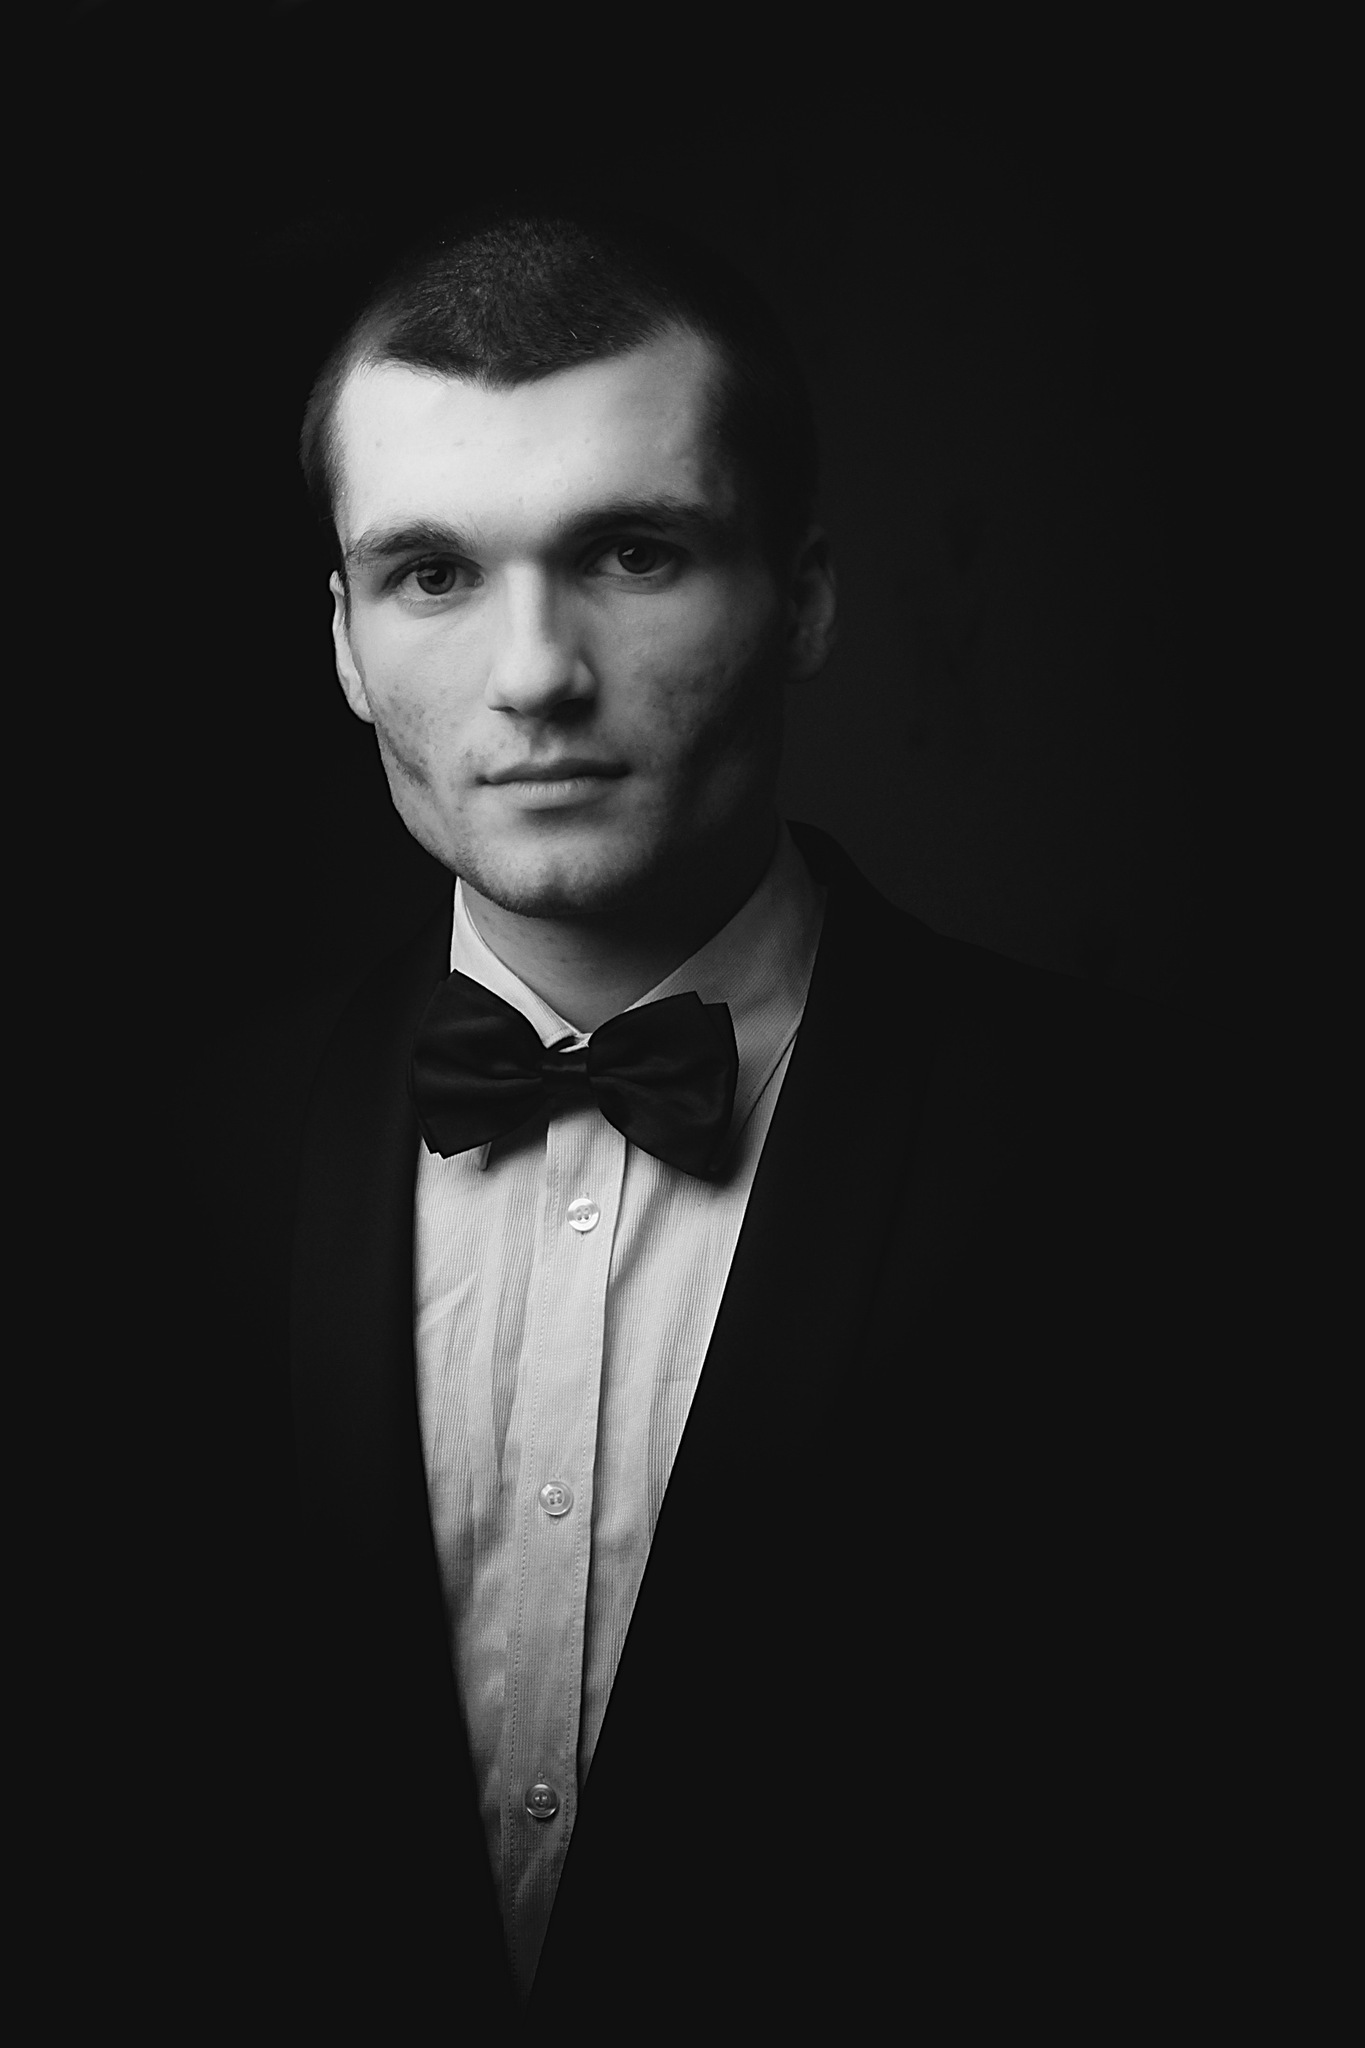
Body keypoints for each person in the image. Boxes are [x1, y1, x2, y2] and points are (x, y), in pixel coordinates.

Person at [212, 207, 1213, 2035]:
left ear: (803, 598)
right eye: (431, 573)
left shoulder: (1156, 1162)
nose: (534, 673)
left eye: (631, 551)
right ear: (345, 642)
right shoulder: (150, 1162)